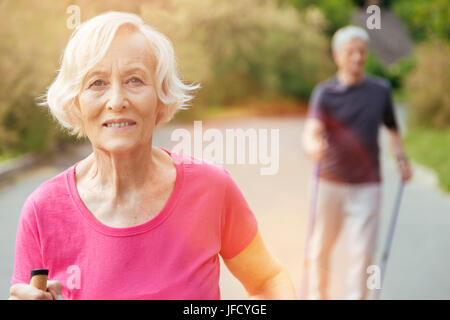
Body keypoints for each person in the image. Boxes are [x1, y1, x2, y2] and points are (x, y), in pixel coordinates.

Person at [9, 12, 296, 300]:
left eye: (134, 80)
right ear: (75, 103)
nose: (117, 101)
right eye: (97, 83)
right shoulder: (43, 210)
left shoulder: (212, 188)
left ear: (161, 96)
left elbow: (268, 281)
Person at [302, 25, 412, 300]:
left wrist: (401, 160)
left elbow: (392, 129)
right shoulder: (324, 93)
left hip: (367, 183)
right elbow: (311, 130)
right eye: (350, 52)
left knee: (363, 253)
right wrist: (313, 146)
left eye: (362, 52)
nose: (357, 57)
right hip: (330, 181)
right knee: (320, 249)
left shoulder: (380, 90)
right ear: (337, 55)